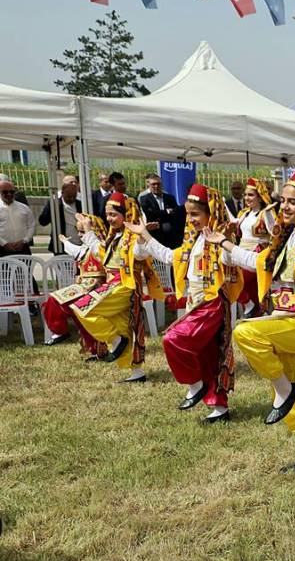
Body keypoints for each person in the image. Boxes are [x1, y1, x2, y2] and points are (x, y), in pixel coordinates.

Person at [209, 170, 295, 472]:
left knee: (245, 331)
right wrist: (225, 244)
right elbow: (259, 263)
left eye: (293, 202)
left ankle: (285, 391)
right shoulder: (284, 237)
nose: (284, 207)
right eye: (282, 201)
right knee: (293, 377)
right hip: (281, 321)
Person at [130, 183, 244, 423]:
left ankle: (195, 384)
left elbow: (230, 258)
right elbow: (170, 257)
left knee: (174, 338)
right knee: (207, 353)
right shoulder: (193, 241)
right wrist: (146, 235)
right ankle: (219, 408)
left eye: (196, 214)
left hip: (212, 303)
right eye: (188, 214)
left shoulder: (218, 240)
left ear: (210, 213)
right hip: (195, 301)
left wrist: (230, 238)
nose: (191, 220)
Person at [66, 194, 165, 383]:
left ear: (126, 214)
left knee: (83, 308)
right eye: (107, 215)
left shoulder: (133, 238)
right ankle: (136, 372)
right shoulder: (114, 236)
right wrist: (87, 229)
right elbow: (98, 250)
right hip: (113, 285)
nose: (110, 218)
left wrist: (144, 237)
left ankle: (116, 340)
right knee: (123, 328)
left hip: (124, 287)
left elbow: (143, 253)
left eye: (113, 214)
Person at [41, 213, 110, 357]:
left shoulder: (102, 247)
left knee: (57, 300)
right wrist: (65, 242)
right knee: (74, 312)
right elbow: (75, 250)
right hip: (84, 287)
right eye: (78, 231)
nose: (79, 235)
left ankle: (61, 332)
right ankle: (95, 350)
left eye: (83, 231)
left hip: (96, 288)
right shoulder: (85, 248)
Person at [233, 178, 276, 317]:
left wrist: (269, 213)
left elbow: (274, 232)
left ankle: (248, 305)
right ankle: (254, 311)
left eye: (251, 195)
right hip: (241, 253)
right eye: (245, 195)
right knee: (251, 290)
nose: (246, 198)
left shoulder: (265, 212)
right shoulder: (244, 213)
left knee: (234, 280)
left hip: (256, 256)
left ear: (259, 196)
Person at [38, 174, 83, 252]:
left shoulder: (81, 205)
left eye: (73, 196)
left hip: (79, 244)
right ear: (62, 193)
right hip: (61, 245)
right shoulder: (54, 204)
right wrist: (51, 209)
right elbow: (42, 221)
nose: (71, 199)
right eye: (68, 197)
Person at [138, 173, 185, 248]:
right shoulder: (144, 198)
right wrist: (167, 212)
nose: (156, 186)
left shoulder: (170, 198)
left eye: (158, 184)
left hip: (171, 236)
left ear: (162, 184)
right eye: (153, 184)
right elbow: (150, 215)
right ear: (149, 185)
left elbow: (175, 213)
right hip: (155, 235)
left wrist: (161, 214)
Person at [0, 178, 35, 257]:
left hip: (23, 248)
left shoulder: (24, 208)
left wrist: (24, 241)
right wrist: (4, 243)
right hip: (2, 249)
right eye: (5, 192)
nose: (9, 194)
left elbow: (31, 226)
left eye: (12, 192)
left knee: (25, 269)